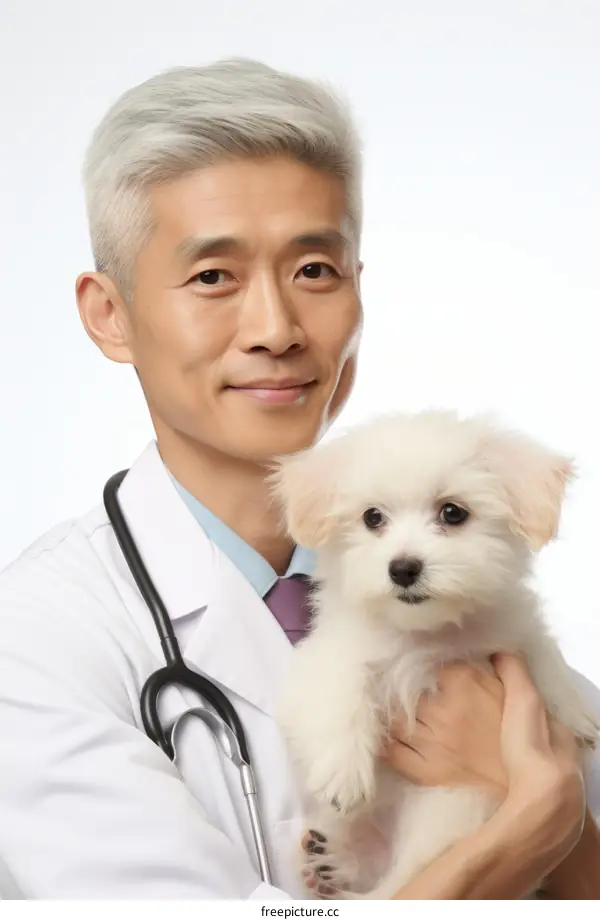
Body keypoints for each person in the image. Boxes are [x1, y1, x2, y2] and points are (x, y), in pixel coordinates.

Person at [0, 57, 598, 901]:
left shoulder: (470, 591)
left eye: (314, 270)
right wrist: (531, 826)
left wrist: (561, 828)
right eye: (213, 276)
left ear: (359, 289)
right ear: (110, 313)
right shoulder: (35, 639)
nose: (276, 329)